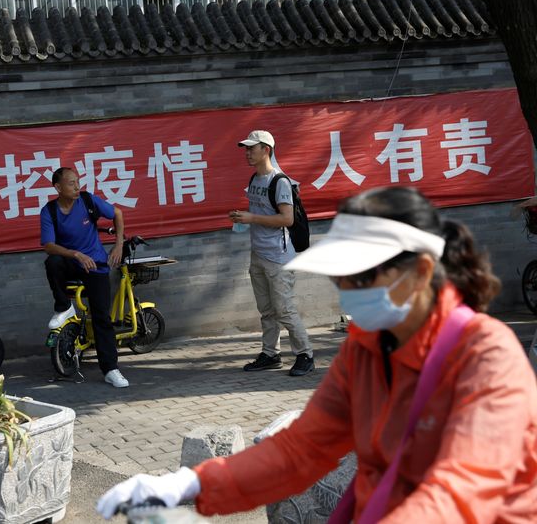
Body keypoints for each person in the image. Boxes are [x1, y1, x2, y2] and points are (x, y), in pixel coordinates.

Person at [98, 186, 537, 522]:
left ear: (420, 271)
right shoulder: (366, 351)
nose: (345, 292)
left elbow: (462, 490)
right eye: (340, 279)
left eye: (358, 278)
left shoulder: (486, 357)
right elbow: (300, 450)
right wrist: (191, 483)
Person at [229, 130, 314, 376]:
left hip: (279, 256)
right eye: (246, 148)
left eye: (251, 148)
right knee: (266, 310)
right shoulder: (255, 179)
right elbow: (263, 214)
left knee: (283, 309)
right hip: (259, 253)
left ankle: (305, 355)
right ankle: (270, 354)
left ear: (266, 149)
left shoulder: (280, 181)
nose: (247, 153)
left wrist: (251, 217)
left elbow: (287, 219)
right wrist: (242, 218)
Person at [40, 167, 129, 388]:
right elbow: (49, 246)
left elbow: (117, 213)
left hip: (96, 265)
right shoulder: (49, 211)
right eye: (71, 183)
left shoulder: (88, 200)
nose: (77, 187)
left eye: (78, 182)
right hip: (72, 262)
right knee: (53, 262)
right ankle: (64, 307)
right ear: (58, 188)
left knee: (102, 318)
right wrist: (76, 254)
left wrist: (118, 245)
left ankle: (110, 369)